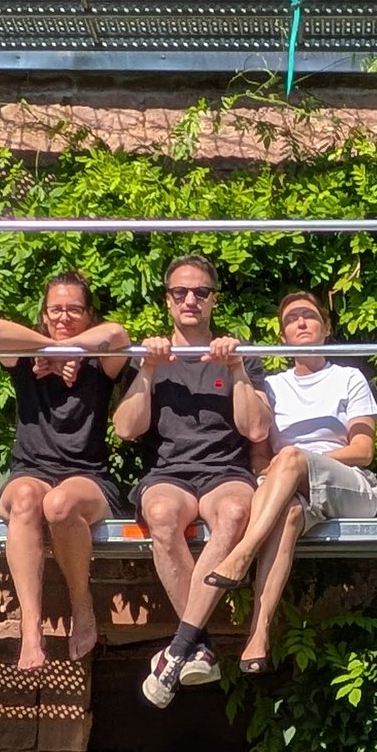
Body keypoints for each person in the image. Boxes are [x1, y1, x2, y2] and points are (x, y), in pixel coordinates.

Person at [112, 254, 272, 706]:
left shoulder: (241, 358)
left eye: (200, 292)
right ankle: (196, 645)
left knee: (238, 512)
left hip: (225, 471)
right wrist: (146, 368)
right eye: (180, 292)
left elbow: (256, 429)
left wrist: (237, 369)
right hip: (169, 473)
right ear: (167, 301)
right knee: (161, 516)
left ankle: (179, 648)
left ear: (213, 300)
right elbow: (126, 428)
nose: (190, 300)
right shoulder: (152, 359)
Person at [200, 290, 377, 672]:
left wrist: (300, 464)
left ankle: (243, 553)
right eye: (291, 319)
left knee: (291, 457)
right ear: (282, 335)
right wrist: (280, 473)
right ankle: (258, 636)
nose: (300, 323)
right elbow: (260, 457)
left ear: (326, 328)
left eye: (309, 316)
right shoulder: (274, 386)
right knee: (287, 517)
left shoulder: (348, 378)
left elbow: (363, 450)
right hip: (292, 490)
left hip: (349, 486)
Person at [0, 274, 132, 670]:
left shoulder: (100, 362)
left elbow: (118, 334)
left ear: (88, 315)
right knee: (31, 498)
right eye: (56, 310)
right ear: (44, 316)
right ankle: (31, 630)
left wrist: (75, 353)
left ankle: (82, 607)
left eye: (74, 310)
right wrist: (50, 348)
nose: (64, 316)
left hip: (87, 477)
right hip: (29, 472)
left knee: (60, 504)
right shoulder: (28, 358)